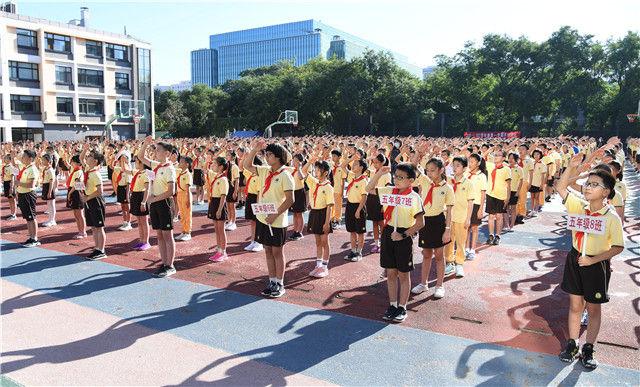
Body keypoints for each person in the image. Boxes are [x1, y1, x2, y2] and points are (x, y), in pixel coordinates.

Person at [556, 152, 624, 370]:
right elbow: (561, 187)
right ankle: (572, 343)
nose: (587, 187)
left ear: (606, 192)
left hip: (597, 265)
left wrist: (594, 259)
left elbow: (618, 246)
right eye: (587, 183)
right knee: (575, 305)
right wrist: (571, 166)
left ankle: (588, 348)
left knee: (593, 309)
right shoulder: (578, 206)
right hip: (575, 259)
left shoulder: (611, 216)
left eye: (594, 185)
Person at [366, 163, 424, 322]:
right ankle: (392, 305)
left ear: (411, 180)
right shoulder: (389, 191)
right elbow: (369, 189)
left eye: (401, 177)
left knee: (403, 274)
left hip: (403, 235)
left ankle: (402, 307)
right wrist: (378, 173)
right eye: (395, 176)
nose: (396, 179)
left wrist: (404, 235)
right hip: (388, 232)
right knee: (390, 272)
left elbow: (420, 223)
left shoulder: (414, 197)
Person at [243, 139, 294, 298]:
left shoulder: (285, 175)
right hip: (263, 218)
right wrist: (255, 149)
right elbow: (246, 165)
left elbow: (290, 199)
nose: (266, 156)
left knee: (277, 251)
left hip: (277, 220)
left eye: (270, 154)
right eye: (266, 153)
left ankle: (280, 283)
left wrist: (275, 214)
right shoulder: (265, 171)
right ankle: (272, 281)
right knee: (267, 250)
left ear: (278, 157)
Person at [412, 158, 453, 298]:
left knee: (439, 255)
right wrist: (418, 155)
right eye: (427, 170)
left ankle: (440, 285)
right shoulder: (424, 181)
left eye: (432, 170)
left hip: (439, 222)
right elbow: (413, 166)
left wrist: (448, 229)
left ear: (441, 170)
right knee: (426, 254)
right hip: (425, 221)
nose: (429, 173)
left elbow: (449, 210)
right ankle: (423, 284)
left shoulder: (447, 188)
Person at [138, 137, 178, 278]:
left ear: (167, 153)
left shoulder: (169, 169)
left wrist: (154, 198)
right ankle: (164, 262)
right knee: (159, 235)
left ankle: (170, 265)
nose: (156, 151)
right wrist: (145, 144)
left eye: (159, 150)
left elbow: (171, 191)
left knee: (167, 235)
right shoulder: (156, 165)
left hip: (164, 203)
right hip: (155, 203)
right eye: (156, 149)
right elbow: (141, 157)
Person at [302, 158, 335, 278]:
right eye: (315, 169)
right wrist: (310, 162)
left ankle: (325, 267)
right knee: (317, 242)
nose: (316, 171)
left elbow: (329, 207)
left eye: (318, 169)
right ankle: (318, 265)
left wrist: (327, 222)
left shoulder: (328, 187)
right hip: (314, 213)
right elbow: (304, 172)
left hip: (323, 214)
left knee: (324, 242)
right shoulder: (314, 182)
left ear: (325, 172)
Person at [443, 156, 473, 278]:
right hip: (449, 217)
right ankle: (449, 262)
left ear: (464, 168)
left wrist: (468, 218)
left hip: (461, 217)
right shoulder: (449, 181)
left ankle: (459, 263)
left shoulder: (468, 183)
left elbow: (470, 202)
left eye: (458, 165)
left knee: (461, 242)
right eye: (453, 165)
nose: (455, 168)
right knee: (448, 241)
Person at [81, 147, 108, 260]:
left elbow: (100, 191)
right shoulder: (88, 169)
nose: (87, 158)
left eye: (90, 156)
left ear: (95, 161)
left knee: (99, 226)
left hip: (95, 200)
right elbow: (81, 158)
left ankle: (101, 250)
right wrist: (85, 149)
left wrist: (87, 197)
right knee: (93, 227)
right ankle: (97, 248)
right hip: (89, 200)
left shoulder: (96, 173)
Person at [342, 156, 369, 262]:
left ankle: (359, 252)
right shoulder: (351, 176)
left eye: (356, 164)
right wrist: (352, 158)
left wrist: (358, 210)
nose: (353, 165)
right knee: (352, 231)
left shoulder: (363, 181)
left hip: (359, 207)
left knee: (360, 232)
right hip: (350, 206)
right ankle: (353, 251)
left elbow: (364, 197)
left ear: (361, 167)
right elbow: (343, 165)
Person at [366, 154, 391, 254]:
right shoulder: (373, 172)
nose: (375, 164)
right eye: (374, 162)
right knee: (374, 223)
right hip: (372, 198)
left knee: (382, 224)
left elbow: (388, 189)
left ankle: (384, 243)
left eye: (377, 163)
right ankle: (377, 244)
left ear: (382, 163)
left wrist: (384, 205)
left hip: (381, 199)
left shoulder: (386, 174)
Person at [485, 150, 511, 245]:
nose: (495, 157)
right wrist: (490, 150)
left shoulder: (507, 169)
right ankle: (491, 235)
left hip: (501, 195)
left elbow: (508, 184)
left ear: (503, 158)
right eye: (495, 155)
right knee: (491, 216)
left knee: (499, 216)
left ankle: (498, 236)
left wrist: (508, 197)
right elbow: (482, 157)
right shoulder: (490, 165)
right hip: (490, 194)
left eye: (498, 155)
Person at [15, 149, 40, 247]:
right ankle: (31, 237)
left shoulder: (32, 169)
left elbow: (31, 184)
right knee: (27, 217)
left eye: (24, 156)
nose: (22, 158)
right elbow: (16, 161)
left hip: (28, 194)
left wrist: (19, 183)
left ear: (30, 158)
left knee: (31, 216)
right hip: (22, 194)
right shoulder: (25, 167)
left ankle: (35, 239)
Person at [207, 156, 230, 262]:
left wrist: (220, 209)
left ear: (221, 166)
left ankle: (223, 251)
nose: (213, 166)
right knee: (216, 229)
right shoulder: (216, 177)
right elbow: (206, 170)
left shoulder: (223, 179)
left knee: (221, 229)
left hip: (219, 204)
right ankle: (219, 248)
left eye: (215, 164)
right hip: (214, 202)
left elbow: (223, 196)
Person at [465, 153, 487, 261]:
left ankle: (472, 249)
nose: (470, 164)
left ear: (478, 163)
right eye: (469, 161)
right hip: (465, 204)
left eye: (472, 161)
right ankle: (465, 249)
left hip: (476, 204)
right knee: (466, 228)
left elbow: (483, 193)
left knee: (474, 227)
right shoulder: (466, 174)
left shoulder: (481, 176)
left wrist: (481, 209)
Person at [129, 157, 151, 251]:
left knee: (144, 220)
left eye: (137, 162)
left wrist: (143, 202)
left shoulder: (146, 173)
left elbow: (147, 189)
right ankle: (141, 240)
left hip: (141, 196)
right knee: (139, 220)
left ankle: (146, 242)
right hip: (135, 195)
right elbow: (125, 170)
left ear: (141, 163)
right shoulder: (137, 172)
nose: (135, 163)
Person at [243, 155, 264, 252]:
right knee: (252, 221)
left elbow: (260, 191)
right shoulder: (250, 174)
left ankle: (259, 242)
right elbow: (243, 165)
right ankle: (253, 241)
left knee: (258, 221)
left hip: (257, 198)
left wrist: (259, 205)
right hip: (250, 197)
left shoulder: (260, 176)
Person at [66, 155, 87, 239]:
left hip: (76, 192)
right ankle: (80, 231)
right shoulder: (75, 170)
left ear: (76, 163)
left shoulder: (79, 171)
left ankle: (83, 232)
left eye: (72, 162)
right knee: (76, 213)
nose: (71, 163)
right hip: (73, 191)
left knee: (79, 213)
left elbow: (78, 185)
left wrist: (70, 193)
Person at [288, 153, 307, 241]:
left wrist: (299, 168)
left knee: (299, 213)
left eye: (296, 161)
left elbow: (301, 177)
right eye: (293, 160)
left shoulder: (301, 170)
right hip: (293, 192)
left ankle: (300, 232)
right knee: (294, 213)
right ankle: (295, 231)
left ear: (300, 162)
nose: (294, 162)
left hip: (299, 193)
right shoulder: (292, 170)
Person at [175, 156, 193, 242]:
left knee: (187, 215)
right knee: (182, 214)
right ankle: (183, 231)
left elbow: (188, 189)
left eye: (181, 162)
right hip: (179, 194)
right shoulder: (179, 172)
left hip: (185, 195)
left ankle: (188, 232)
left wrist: (188, 200)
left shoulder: (187, 174)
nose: (179, 163)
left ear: (187, 164)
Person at [113, 152, 133, 231]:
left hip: (126, 189)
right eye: (121, 159)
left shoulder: (128, 169)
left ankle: (129, 223)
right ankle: (124, 222)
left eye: (124, 158)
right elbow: (112, 166)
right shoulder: (119, 168)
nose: (122, 160)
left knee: (127, 207)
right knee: (122, 206)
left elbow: (128, 183)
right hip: (120, 188)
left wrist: (127, 194)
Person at [505, 153, 523, 231]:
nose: (510, 160)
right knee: (505, 208)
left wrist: (518, 191)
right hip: (505, 191)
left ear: (516, 160)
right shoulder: (506, 168)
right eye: (509, 158)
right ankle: (506, 225)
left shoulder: (519, 169)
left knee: (513, 208)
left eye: (512, 158)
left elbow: (521, 181)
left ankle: (512, 225)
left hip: (514, 191)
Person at [224, 151, 240, 231]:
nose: (227, 156)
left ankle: (234, 222)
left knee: (232, 206)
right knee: (227, 205)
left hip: (232, 187)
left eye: (228, 155)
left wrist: (235, 191)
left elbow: (237, 180)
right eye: (226, 155)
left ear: (233, 157)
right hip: (227, 187)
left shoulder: (235, 167)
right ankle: (229, 220)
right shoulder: (226, 165)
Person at [40, 153, 57, 227]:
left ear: (49, 161)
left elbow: (51, 181)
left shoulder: (50, 170)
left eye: (43, 160)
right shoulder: (46, 168)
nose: (42, 162)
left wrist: (49, 192)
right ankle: (50, 219)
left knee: (51, 204)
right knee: (49, 204)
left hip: (49, 187)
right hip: (45, 186)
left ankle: (52, 220)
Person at [329, 149, 345, 229]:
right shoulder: (330, 166)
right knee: (331, 205)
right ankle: (332, 219)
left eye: (335, 156)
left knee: (338, 205)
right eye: (332, 156)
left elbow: (343, 179)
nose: (333, 157)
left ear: (339, 157)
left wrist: (342, 191)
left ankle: (338, 220)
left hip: (338, 189)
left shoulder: (341, 167)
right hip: (331, 189)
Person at [528, 149, 547, 216]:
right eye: (535, 154)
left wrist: (542, 184)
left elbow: (543, 176)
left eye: (538, 154)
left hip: (538, 183)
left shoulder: (542, 164)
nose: (536, 155)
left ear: (540, 155)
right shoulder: (531, 162)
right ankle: (532, 210)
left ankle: (536, 210)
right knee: (532, 197)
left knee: (537, 197)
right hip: (531, 182)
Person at [2, 154, 17, 220]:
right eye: (4, 158)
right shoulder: (5, 167)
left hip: (10, 184)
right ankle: (12, 213)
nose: (4, 159)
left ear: (10, 160)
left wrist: (11, 187)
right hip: (6, 183)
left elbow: (12, 177)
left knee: (12, 199)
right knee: (9, 200)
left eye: (6, 158)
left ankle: (14, 215)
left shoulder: (11, 167)